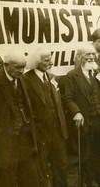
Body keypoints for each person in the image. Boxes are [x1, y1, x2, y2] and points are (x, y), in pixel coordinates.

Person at [0, 49, 42, 187]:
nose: (21, 71)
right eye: (17, 67)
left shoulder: (21, 79)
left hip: (24, 138)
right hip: (4, 142)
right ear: (6, 64)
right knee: (7, 180)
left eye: (23, 67)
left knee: (30, 177)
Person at [24, 48, 68, 187]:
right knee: (41, 169)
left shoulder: (51, 77)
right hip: (40, 133)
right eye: (47, 60)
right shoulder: (25, 80)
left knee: (60, 166)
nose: (51, 62)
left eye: (50, 59)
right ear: (37, 61)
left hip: (57, 131)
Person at [64, 43, 100, 187]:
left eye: (93, 54)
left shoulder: (98, 72)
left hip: (99, 119)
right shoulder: (72, 76)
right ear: (80, 57)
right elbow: (69, 98)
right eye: (88, 54)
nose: (92, 57)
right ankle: (87, 182)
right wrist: (77, 112)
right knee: (86, 153)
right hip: (85, 120)